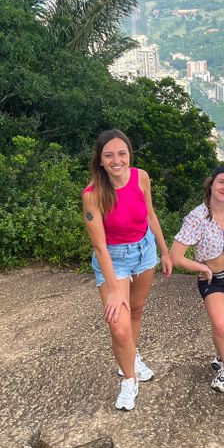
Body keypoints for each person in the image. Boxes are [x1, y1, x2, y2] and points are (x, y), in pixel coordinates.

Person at [82, 130, 172, 412]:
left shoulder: (141, 177)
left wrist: (165, 250)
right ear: (100, 161)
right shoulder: (93, 196)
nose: (116, 160)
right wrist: (112, 290)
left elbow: (150, 214)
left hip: (144, 250)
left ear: (130, 155)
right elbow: (99, 247)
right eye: (109, 155)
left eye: (122, 153)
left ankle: (131, 358)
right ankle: (128, 380)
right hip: (114, 258)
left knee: (136, 310)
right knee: (118, 326)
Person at [170, 163, 224, 392]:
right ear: (212, 184)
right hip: (214, 279)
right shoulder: (197, 217)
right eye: (222, 182)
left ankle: (222, 356)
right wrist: (202, 267)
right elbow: (176, 256)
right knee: (220, 324)